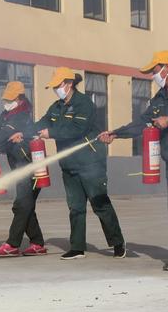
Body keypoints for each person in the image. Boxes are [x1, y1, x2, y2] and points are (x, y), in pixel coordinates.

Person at [99, 51, 168, 271]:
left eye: (155, 70)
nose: (153, 75)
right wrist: (116, 133)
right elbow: (142, 122)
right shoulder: (159, 97)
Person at [13, 67, 125, 260]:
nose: (56, 89)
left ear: (69, 84)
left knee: (100, 204)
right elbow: (43, 122)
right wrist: (24, 132)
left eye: (58, 85)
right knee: (75, 207)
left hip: (90, 163)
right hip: (69, 165)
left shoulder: (84, 104)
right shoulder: (57, 106)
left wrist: (52, 133)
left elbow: (77, 129)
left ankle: (117, 243)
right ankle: (77, 247)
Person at [0, 81, 47, 257]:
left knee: (21, 205)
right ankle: (37, 243)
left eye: (10, 99)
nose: (7, 102)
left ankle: (12, 244)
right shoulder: (7, 114)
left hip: (31, 166)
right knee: (25, 205)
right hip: (19, 165)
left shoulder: (22, 116)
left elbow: (4, 133)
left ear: (19, 98)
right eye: (6, 98)